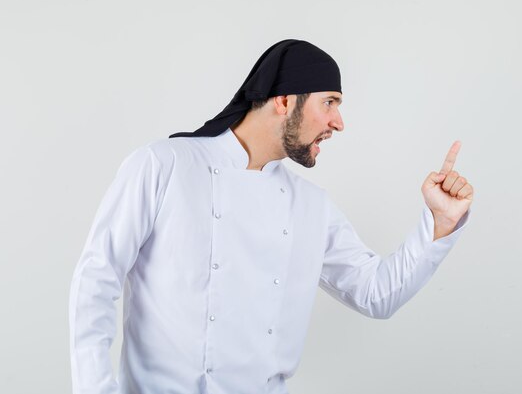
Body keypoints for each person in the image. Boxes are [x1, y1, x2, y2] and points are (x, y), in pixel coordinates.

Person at [69, 39, 474, 394]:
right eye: (329, 102)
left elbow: (376, 294)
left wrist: (439, 224)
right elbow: (96, 279)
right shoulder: (163, 164)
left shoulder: (310, 204)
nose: (339, 122)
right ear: (284, 100)